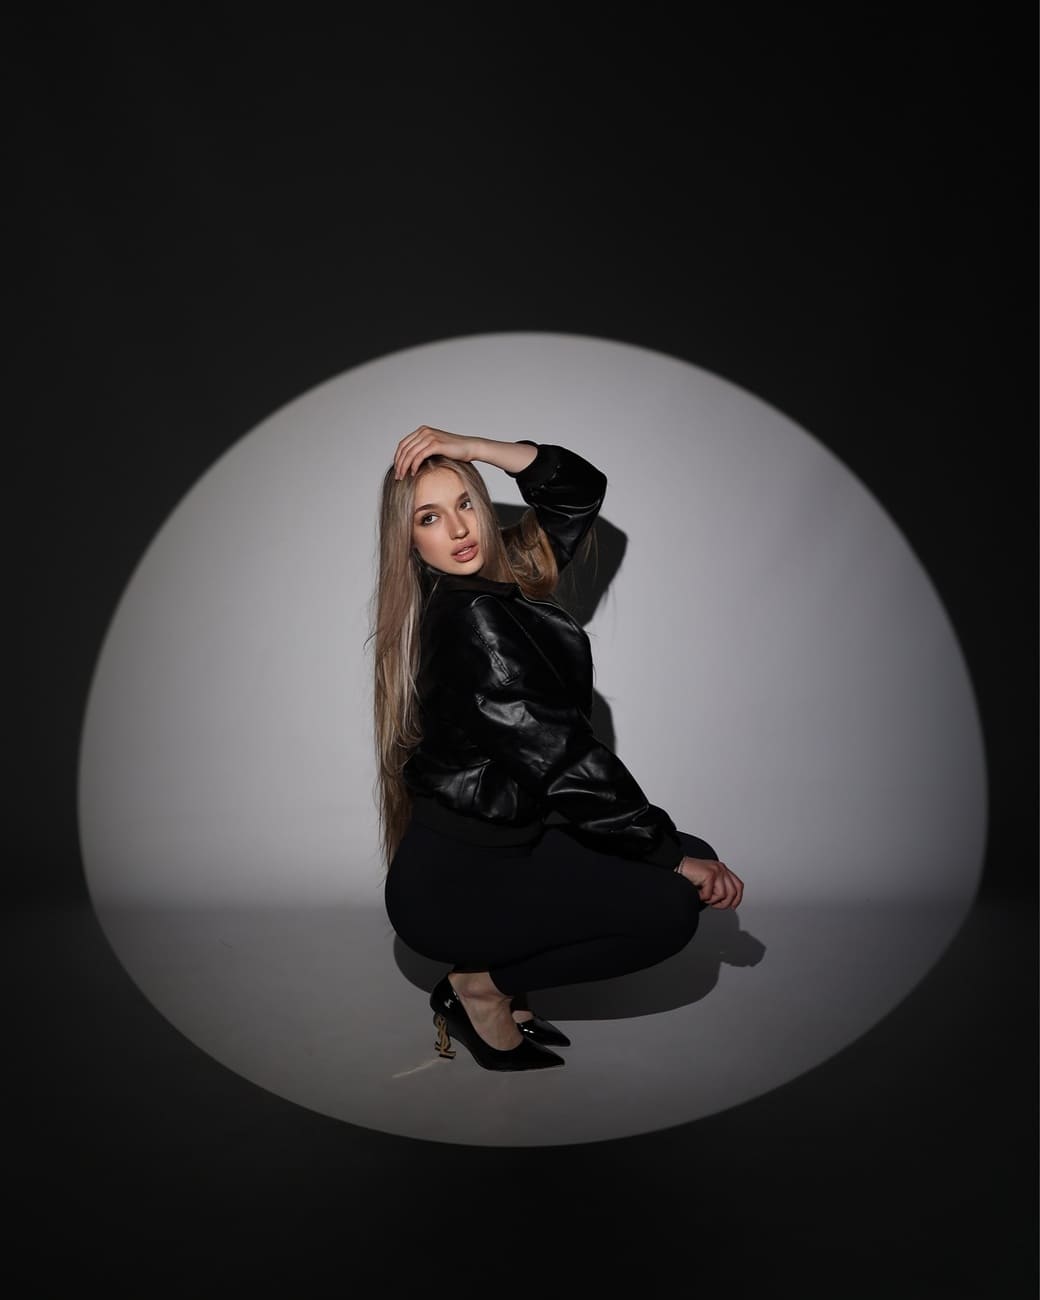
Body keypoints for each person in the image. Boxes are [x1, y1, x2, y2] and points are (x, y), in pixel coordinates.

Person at [373, 426, 744, 1072]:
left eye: (466, 503)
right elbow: (566, 761)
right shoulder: (474, 622)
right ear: (409, 539)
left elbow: (578, 491)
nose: (458, 529)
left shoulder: (493, 580)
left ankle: (497, 980)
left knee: (691, 855)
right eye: (429, 518)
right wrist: (667, 856)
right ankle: (482, 987)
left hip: (498, 849)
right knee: (671, 905)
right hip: (455, 883)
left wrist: (474, 448)